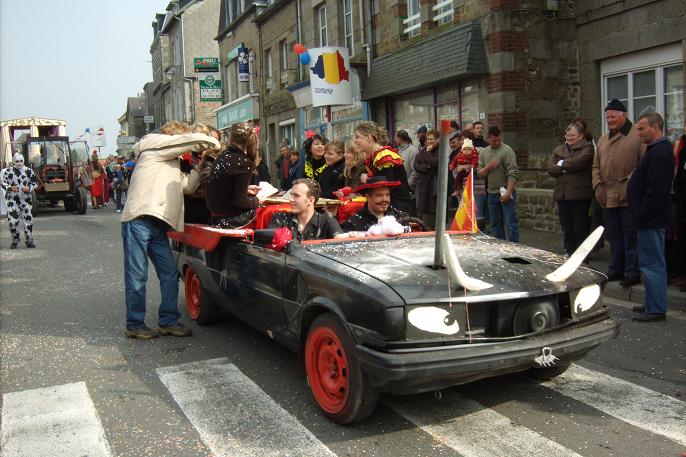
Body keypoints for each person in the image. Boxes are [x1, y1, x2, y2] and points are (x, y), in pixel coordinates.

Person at [121, 121, 220, 339]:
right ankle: (134, 324)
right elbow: (186, 142)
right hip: (139, 218)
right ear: (173, 136)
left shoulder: (170, 160)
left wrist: (201, 163)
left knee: (169, 273)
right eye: (183, 137)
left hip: (157, 223)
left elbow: (188, 186)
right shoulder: (154, 144)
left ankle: (168, 320)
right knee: (137, 276)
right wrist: (212, 142)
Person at [627, 112, 674, 322]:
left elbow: (656, 190)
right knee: (649, 262)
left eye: (642, 128)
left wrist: (642, 214)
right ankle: (652, 302)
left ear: (655, 127)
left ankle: (656, 308)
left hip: (651, 218)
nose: (638, 133)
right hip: (648, 217)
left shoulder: (660, 152)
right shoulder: (654, 150)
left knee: (653, 263)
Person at [592, 99, 643, 287]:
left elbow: (642, 165)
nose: (610, 120)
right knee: (614, 236)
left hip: (628, 197)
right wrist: (597, 186)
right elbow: (595, 165)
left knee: (631, 236)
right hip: (607, 196)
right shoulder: (603, 139)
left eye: (613, 116)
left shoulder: (637, 136)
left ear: (624, 115)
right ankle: (615, 269)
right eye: (607, 117)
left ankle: (632, 271)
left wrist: (630, 185)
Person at [547, 122, 595, 255]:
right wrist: (564, 167)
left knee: (580, 230)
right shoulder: (559, 149)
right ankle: (568, 253)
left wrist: (561, 164)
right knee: (567, 229)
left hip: (579, 195)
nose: (569, 138)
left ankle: (582, 258)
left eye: (572, 135)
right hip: (562, 195)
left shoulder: (587, 147)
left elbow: (580, 162)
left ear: (580, 136)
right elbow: (550, 168)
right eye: (567, 135)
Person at [207, 122, 265, 229]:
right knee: (266, 213)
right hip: (232, 219)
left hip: (215, 217)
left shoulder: (221, 157)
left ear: (231, 138)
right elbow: (240, 201)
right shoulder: (244, 162)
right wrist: (257, 201)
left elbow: (222, 187)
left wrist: (245, 189)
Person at [354, 122, 412, 213]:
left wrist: (367, 180)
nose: (355, 141)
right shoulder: (374, 157)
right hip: (386, 205)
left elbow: (384, 187)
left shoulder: (384, 156)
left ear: (369, 138)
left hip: (397, 208)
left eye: (357, 137)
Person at [477, 126, 520, 242]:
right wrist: (489, 166)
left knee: (510, 221)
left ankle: (514, 246)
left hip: (505, 189)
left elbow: (513, 172)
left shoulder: (507, 151)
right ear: (488, 139)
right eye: (493, 140)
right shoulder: (484, 152)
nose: (496, 142)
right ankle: (500, 245)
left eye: (498, 140)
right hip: (491, 191)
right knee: (495, 223)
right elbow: (480, 174)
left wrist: (509, 192)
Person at [268, 178, 343, 241]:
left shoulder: (327, 221)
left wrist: (348, 236)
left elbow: (340, 239)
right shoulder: (280, 218)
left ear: (310, 200)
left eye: (296, 196)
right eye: (291, 195)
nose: (290, 199)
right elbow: (268, 240)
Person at [341, 176, 408, 232]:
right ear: (367, 197)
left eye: (387, 195)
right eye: (379, 195)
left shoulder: (400, 216)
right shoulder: (354, 223)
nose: (385, 199)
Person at [1, 153, 39, 248]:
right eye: (17, 161)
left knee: (28, 221)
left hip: (25, 200)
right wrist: (10, 188)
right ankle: (15, 238)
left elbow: (35, 182)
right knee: (12, 222)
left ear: (23, 161)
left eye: (21, 161)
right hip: (12, 201)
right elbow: (3, 183)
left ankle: (29, 239)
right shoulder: (8, 172)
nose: (19, 163)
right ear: (14, 161)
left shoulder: (28, 171)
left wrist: (29, 188)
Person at [413, 128, 440, 229]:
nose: (429, 141)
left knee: (433, 211)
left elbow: (434, 163)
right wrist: (426, 167)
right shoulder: (423, 150)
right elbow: (416, 165)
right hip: (424, 185)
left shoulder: (439, 150)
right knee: (423, 211)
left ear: (437, 139)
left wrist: (428, 154)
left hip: (434, 186)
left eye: (431, 139)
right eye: (428, 139)